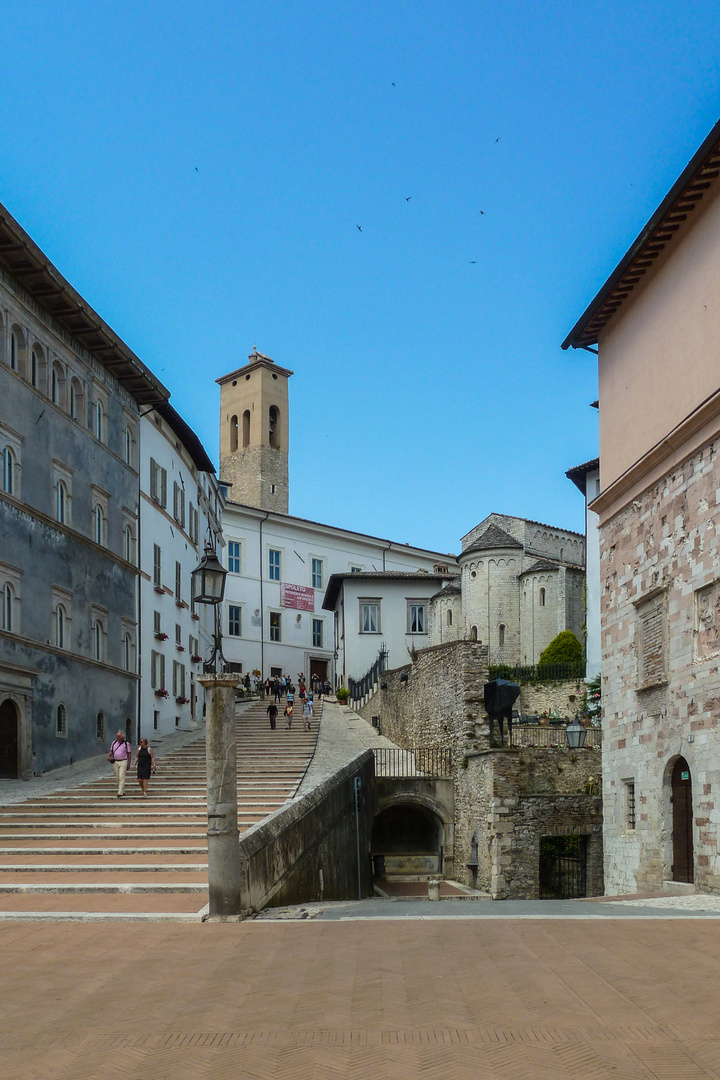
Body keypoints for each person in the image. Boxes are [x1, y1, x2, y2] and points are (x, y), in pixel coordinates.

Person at [108, 730, 132, 797]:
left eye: (118, 736)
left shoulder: (126, 744)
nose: (117, 737)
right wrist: (108, 756)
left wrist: (129, 763)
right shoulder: (114, 743)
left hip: (123, 761)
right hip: (115, 762)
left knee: (121, 776)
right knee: (117, 777)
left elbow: (129, 754)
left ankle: (120, 792)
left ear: (122, 737)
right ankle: (123, 790)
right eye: (116, 736)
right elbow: (111, 751)